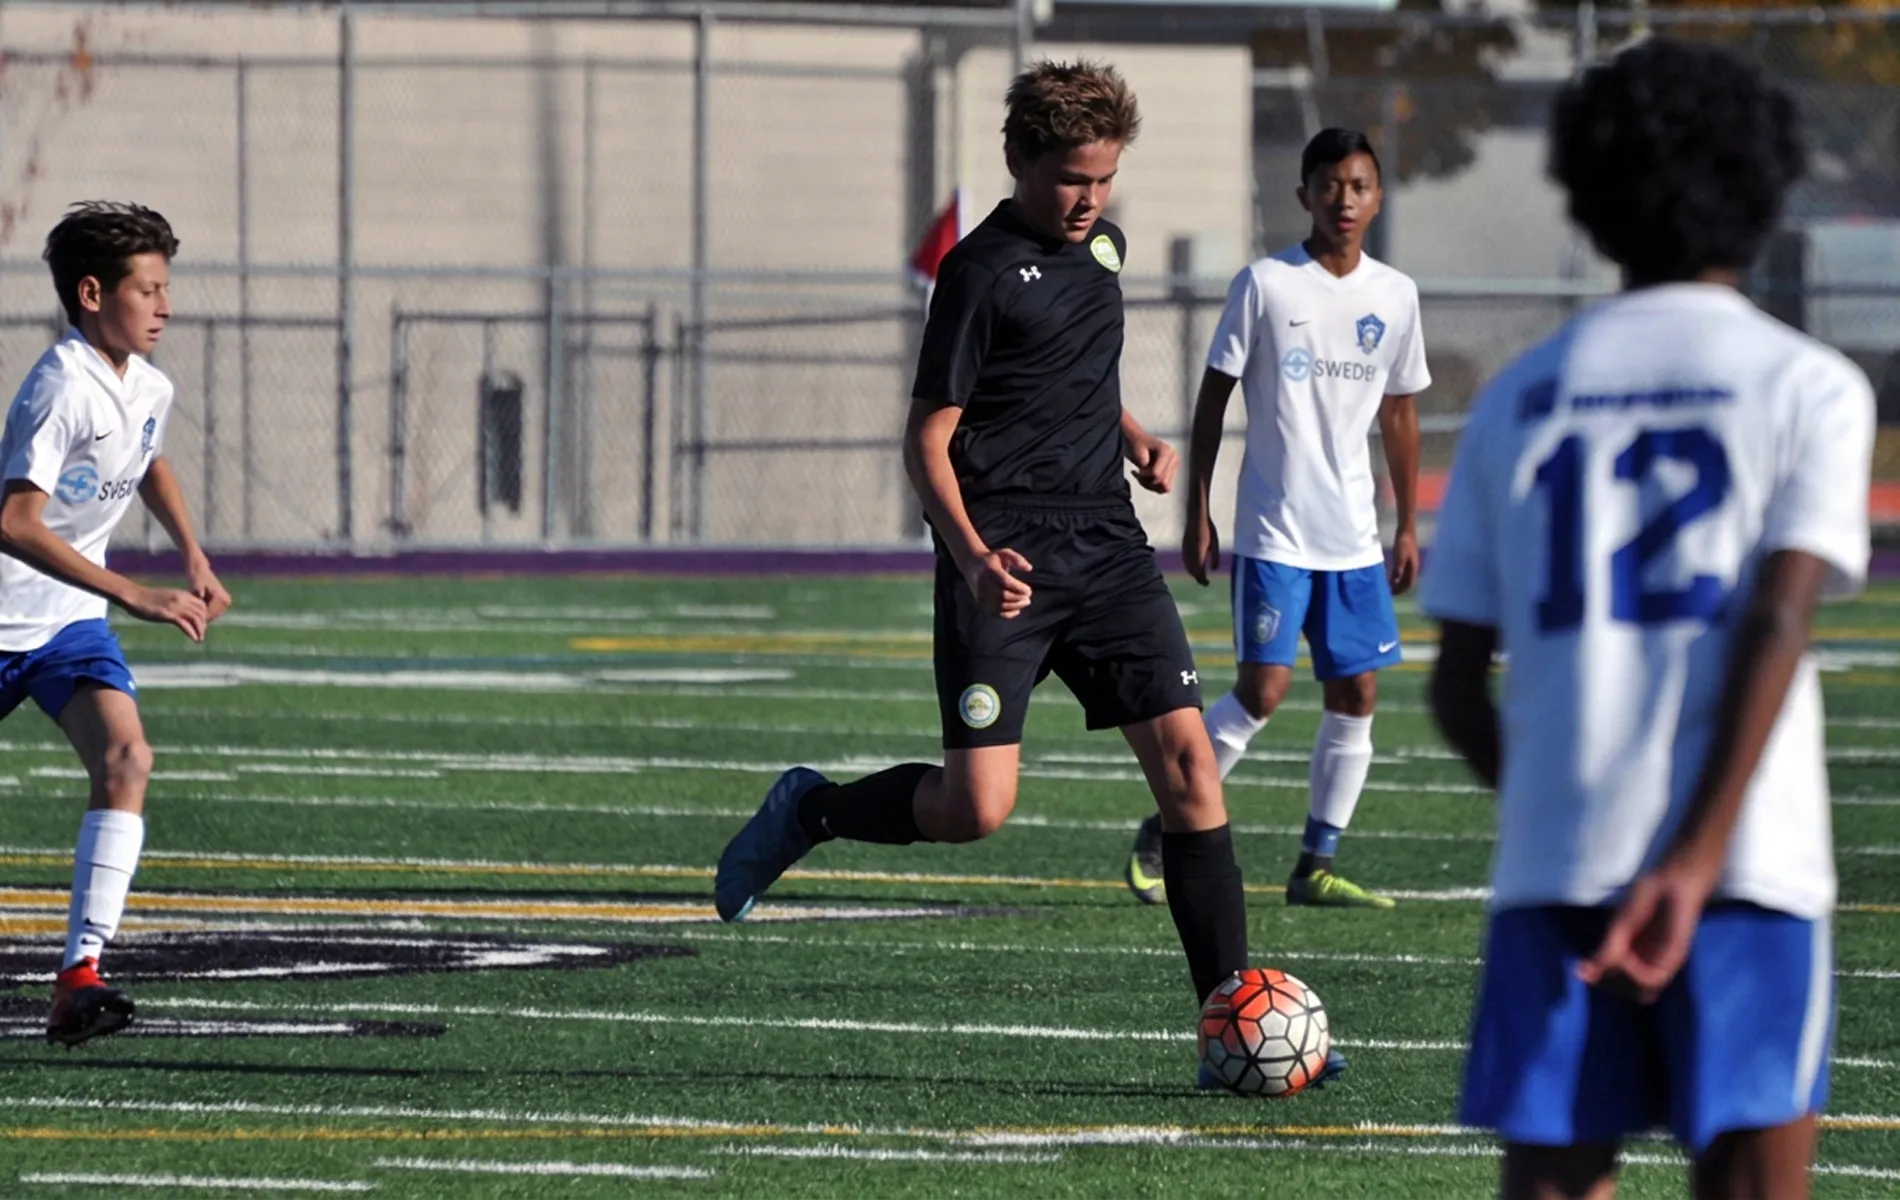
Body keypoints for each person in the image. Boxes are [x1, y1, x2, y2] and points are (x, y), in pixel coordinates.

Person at [715, 63, 1343, 1086]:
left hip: (1106, 545)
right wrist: (970, 559)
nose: (1088, 198)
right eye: (1068, 179)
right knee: (977, 809)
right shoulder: (978, 271)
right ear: (1017, 163)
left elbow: (1073, 375)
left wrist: (1134, 436)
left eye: (1102, 178)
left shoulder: (1102, 245)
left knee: (1190, 772)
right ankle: (813, 810)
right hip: (1001, 557)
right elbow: (926, 439)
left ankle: (1228, 1024)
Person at [1421, 39, 1867, 1200]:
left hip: (1561, 870)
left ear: (1591, 197)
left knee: (1554, 1183)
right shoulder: (1807, 383)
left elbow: (1456, 689)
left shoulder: (1518, 396)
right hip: (1748, 872)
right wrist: (1694, 853)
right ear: (1764, 189)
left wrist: (1574, 817)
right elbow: (1775, 624)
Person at [1125, 128, 1429, 910]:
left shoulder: (1395, 295)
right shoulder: (1266, 284)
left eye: (1360, 186)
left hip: (1355, 537)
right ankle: (1166, 823)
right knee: (1262, 692)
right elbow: (1213, 395)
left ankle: (1315, 864)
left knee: (1357, 695)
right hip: (1275, 531)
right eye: (1330, 185)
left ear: (1378, 197)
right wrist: (1198, 508)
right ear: (1304, 194)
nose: (1345, 200)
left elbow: (1399, 412)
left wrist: (1403, 524)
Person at [2, 201, 232, 1046]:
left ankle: (78, 978)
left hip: (65, 627)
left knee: (127, 756)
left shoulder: (146, 382)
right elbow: (14, 523)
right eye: (149, 289)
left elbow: (146, 457)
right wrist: (136, 592)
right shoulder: (61, 385)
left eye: (167, 287)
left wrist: (193, 556)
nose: (165, 305)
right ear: (93, 293)